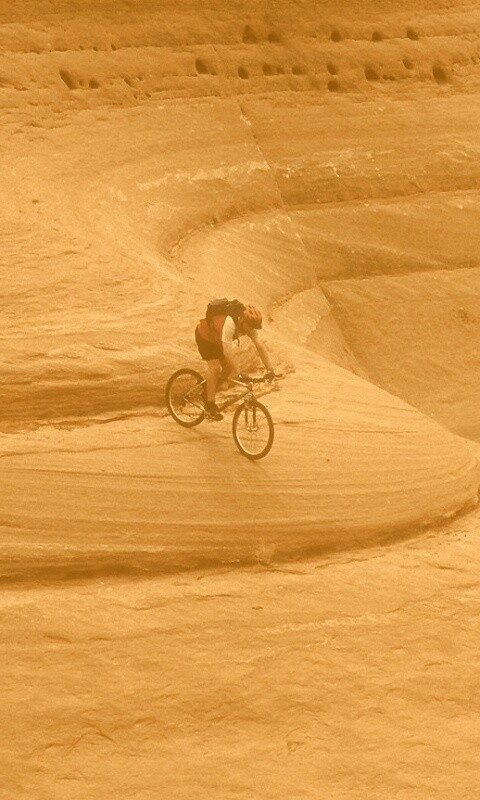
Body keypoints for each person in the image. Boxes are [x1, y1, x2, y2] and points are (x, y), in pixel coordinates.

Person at [195, 300, 275, 420]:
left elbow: (260, 346)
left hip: (219, 339)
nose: (250, 330)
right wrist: (238, 371)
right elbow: (227, 352)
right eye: (249, 326)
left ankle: (206, 392)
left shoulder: (249, 326)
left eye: (253, 327)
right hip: (206, 335)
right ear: (242, 320)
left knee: (227, 369)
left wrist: (270, 369)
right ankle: (210, 405)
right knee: (215, 367)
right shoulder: (230, 322)